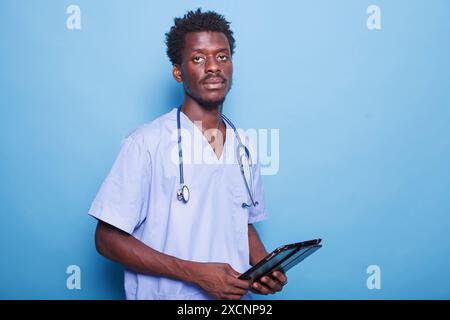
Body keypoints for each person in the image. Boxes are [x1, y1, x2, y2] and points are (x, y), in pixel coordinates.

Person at [88, 8, 287, 300]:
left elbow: (240, 222)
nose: (213, 67)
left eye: (222, 56)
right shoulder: (145, 143)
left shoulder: (244, 146)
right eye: (198, 58)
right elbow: (106, 239)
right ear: (178, 72)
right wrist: (195, 274)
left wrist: (265, 266)